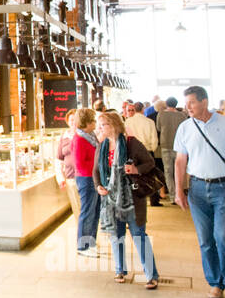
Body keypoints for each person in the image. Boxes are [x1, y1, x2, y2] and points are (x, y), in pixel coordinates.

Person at [173, 85, 225, 298]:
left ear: (204, 102)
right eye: (186, 103)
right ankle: (216, 283)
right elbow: (180, 161)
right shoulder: (185, 128)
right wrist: (179, 190)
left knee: (223, 236)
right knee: (205, 240)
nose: (187, 107)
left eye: (192, 102)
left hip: (223, 188)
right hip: (197, 189)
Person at [93, 111, 160, 288]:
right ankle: (120, 270)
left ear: (114, 125)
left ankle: (151, 275)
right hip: (110, 198)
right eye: (98, 125)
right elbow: (96, 171)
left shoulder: (132, 143)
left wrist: (136, 169)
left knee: (139, 235)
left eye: (103, 125)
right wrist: (98, 186)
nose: (99, 129)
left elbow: (149, 163)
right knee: (116, 235)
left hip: (132, 198)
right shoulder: (102, 146)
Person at [68, 108, 99, 256]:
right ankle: (82, 246)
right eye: (93, 120)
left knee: (95, 211)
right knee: (87, 212)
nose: (95, 122)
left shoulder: (90, 136)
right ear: (87, 122)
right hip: (86, 179)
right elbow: (80, 164)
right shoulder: (80, 139)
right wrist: (98, 165)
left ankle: (91, 242)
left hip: (94, 177)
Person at [156, 96, 187, 200]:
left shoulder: (161, 114)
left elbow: (158, 128)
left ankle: (173, 196)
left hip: (165, 145)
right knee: (180, 170)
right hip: (179, 146)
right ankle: (180, 193)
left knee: (168, 171)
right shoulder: (182, 115)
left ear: (167, 104)